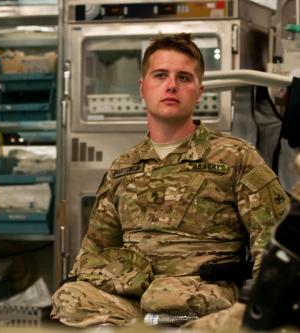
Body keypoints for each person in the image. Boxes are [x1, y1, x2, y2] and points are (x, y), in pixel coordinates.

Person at [51, 33, 290, 328]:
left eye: (184, 77)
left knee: (178, 305)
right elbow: (96, 249)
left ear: (199, 91)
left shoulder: (235, 158)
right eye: (160, 75)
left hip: (201, 305)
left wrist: (260, 306)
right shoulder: (123, 169)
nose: (172, 85)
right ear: (143, 87)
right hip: (133, 304)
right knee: (71, 297)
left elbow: (274, 239)